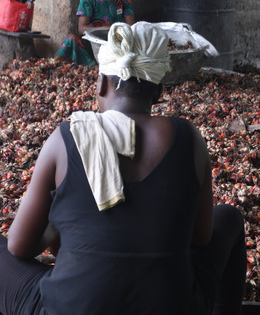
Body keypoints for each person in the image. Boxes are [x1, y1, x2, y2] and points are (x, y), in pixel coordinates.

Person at [0, 22, 246, 315]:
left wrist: (57, 232)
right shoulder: (189, 137)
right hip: (174, 306)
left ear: (101, 83)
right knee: (228, 216)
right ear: (158, 93)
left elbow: (19, 246)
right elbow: (200, 238)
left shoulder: (66, 138)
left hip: (66, 308)